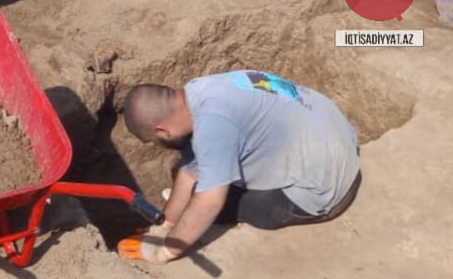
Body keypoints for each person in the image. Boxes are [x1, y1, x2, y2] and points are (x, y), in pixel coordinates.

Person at [117, 71, 361, 265]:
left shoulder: (213, 126)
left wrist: (166, 250)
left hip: (327, 187)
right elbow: (189, 170)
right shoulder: (199, 92)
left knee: (224, 206)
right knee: (200, 178)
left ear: (162, 130)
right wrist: (165, 224)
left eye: (153, 140)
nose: (157, 145)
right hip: (335, 136)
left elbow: (210, 203)